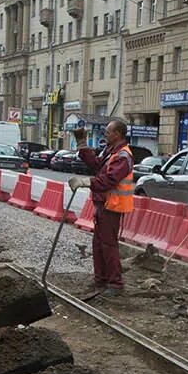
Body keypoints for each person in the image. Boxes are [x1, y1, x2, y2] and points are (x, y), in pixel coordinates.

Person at [72, 118, 134, 301]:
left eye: (108, 132)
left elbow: (108, 180)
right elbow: (95, 163)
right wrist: (82, 145)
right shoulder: (111, 151)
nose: (105, 134)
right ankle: (101, 281)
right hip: (104, 204)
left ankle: (115, 283)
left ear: (117, 134)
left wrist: (85, 182)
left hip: (112, 206)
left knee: (108, 245)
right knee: (99, 245)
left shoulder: (123, 156)